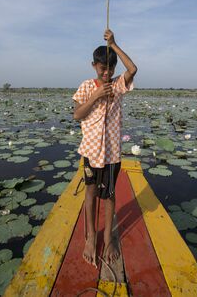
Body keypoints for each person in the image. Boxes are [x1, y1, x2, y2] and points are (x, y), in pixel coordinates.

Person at [73, 28, 137, 267]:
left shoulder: (118, 85)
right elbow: (77, 115)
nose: (107, 72)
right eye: (103, 68)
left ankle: (108, 237)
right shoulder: (87, 86)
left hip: (111, 154)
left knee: (109, 196)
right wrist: (97, 95)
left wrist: (115, 44)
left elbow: (133, 69)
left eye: (111, 68)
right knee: (90, 192)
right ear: (94, 66)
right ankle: (91, 237)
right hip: (90, 152)